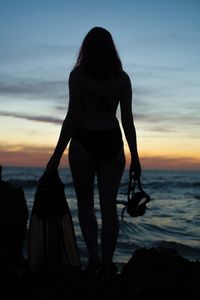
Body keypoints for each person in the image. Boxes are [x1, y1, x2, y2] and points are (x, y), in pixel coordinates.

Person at [46, 27, 141, 281]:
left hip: (83, 142)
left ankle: (94, 260)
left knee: (86, 206)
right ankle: (107, 265)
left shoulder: (77, 76)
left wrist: (55, 156)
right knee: (108, 209)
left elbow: (72, 118)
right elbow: (128, 122)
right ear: (112, 49)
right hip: (111, 141)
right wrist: (136, 158)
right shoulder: (122, 79)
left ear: (86, 49)